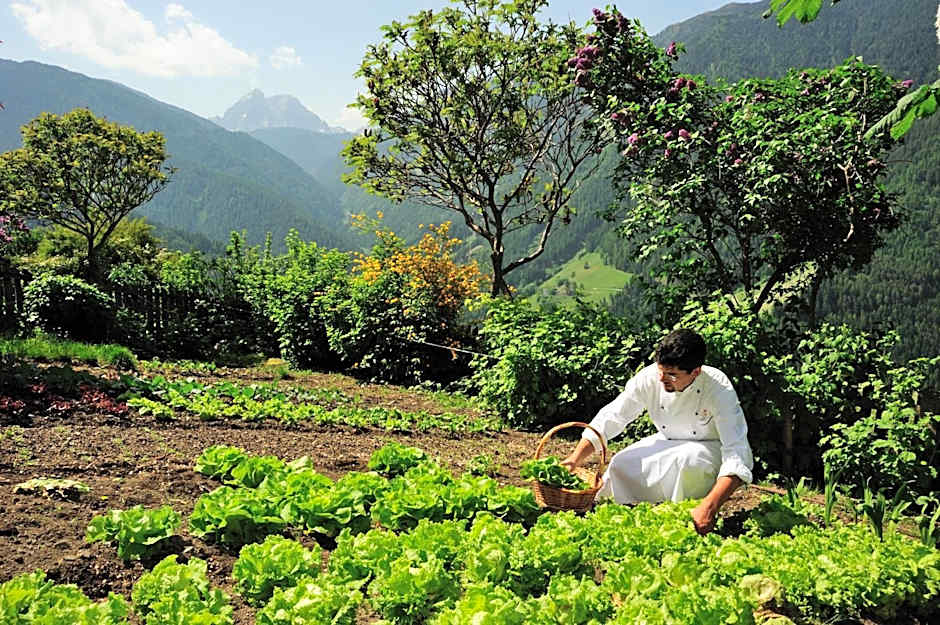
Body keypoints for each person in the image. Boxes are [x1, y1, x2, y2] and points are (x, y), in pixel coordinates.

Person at [562, 328, 753, 535]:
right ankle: (619, 514)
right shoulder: (650, 377)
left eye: (672, 375)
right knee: (621, 463)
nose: (662, 379)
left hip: (709, 449)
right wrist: (574, 459)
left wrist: (711, 507)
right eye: (660, 370)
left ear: (696, 372)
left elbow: (737, 450)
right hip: (667, 440)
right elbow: (614, 416)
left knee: (687, 462)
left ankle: (686, 518)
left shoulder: (718, 388)